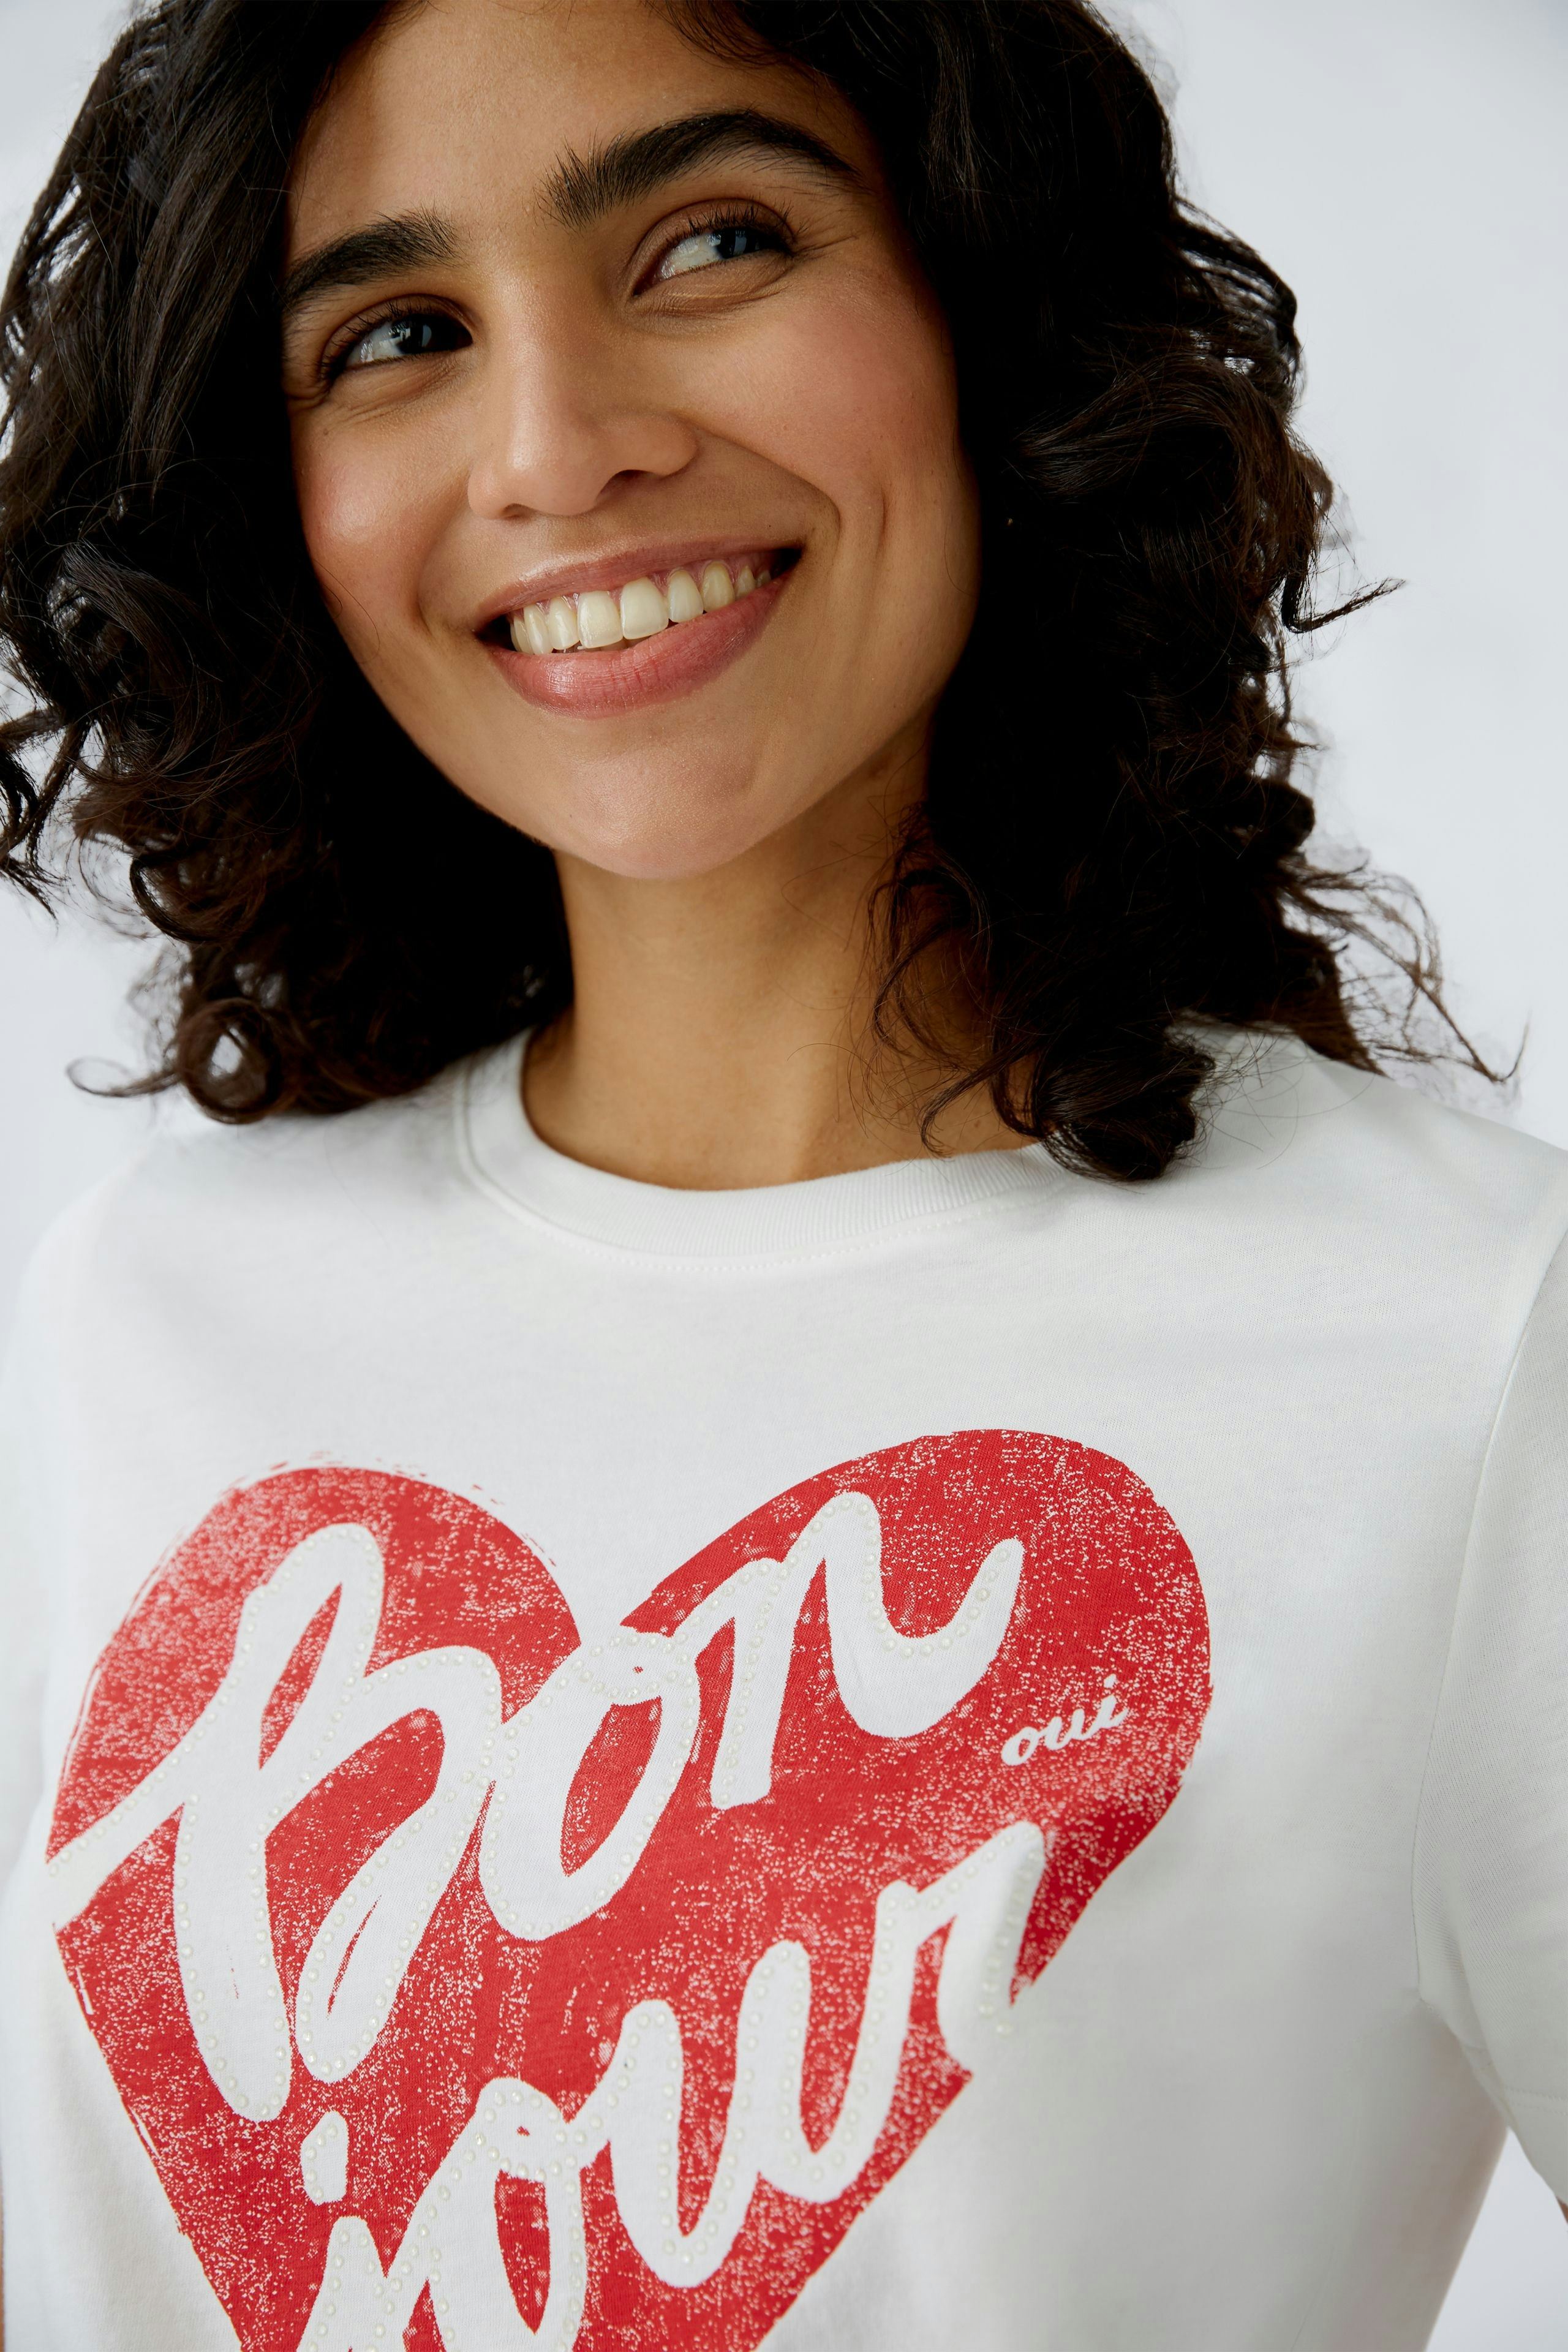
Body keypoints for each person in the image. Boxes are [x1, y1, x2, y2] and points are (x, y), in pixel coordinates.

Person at [0, 1, 1562, 2346]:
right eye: (401, 332)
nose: (559, 446)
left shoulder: (1470, 1351)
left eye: (711, 240)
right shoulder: (130, 1323)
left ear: (980, 307)